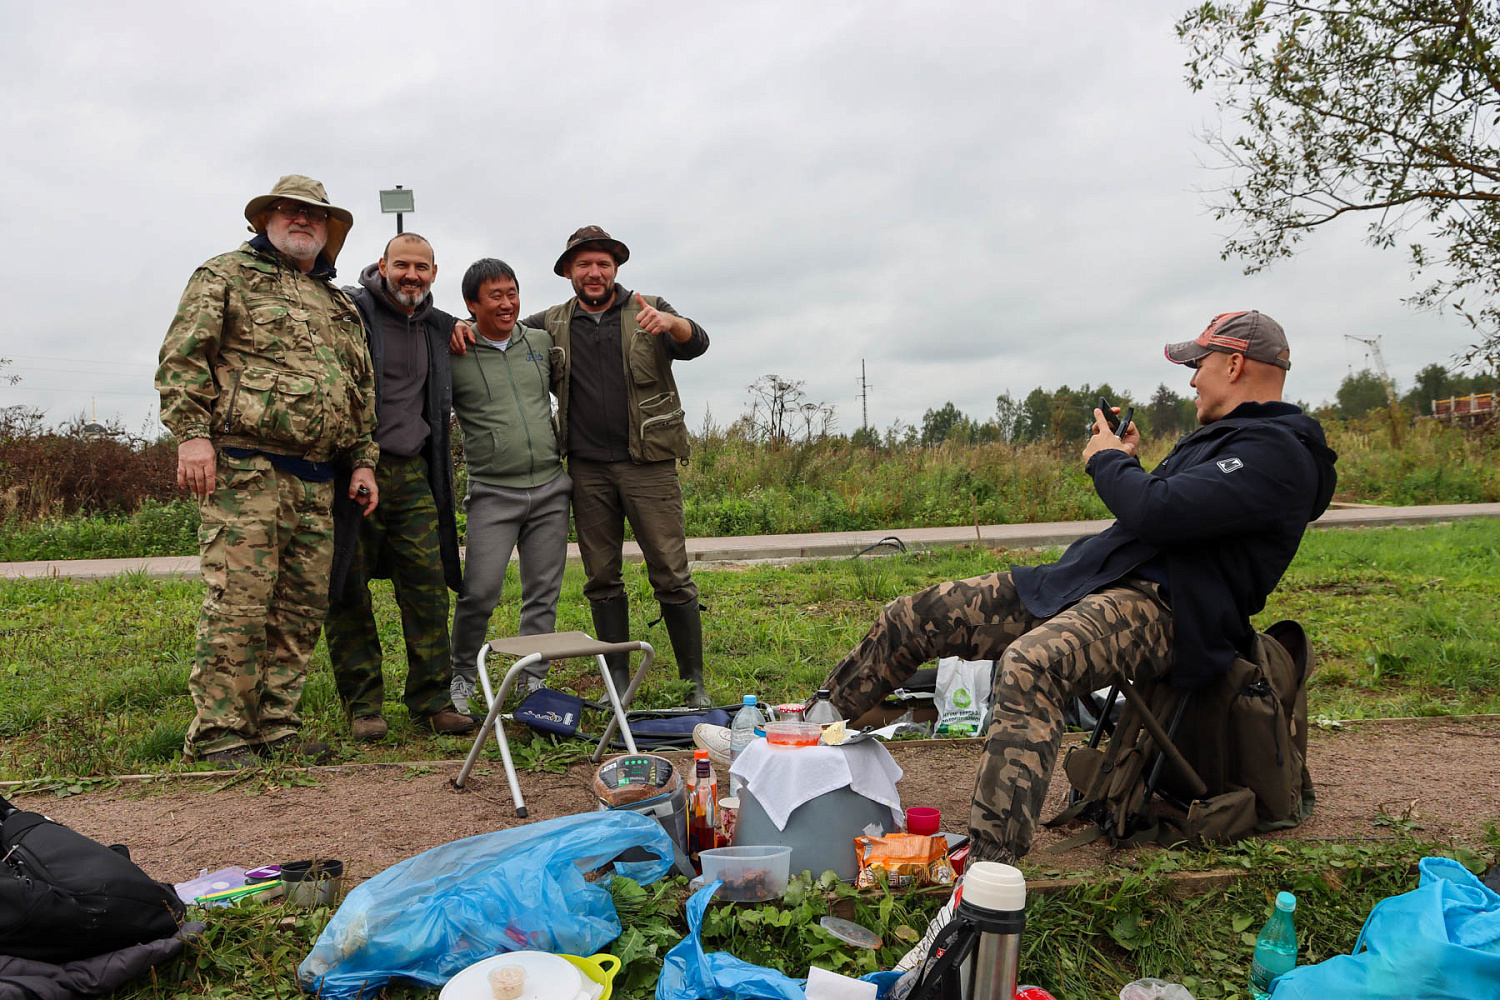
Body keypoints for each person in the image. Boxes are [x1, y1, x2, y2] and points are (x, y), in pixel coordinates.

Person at [815, 310, 1338, 870]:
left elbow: (1157, 512)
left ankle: (991, 868)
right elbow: (1168, 507)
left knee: (1032, 665)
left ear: (1234, 364)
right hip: (1091, 583)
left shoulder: (1280, 454)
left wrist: (1109, 462)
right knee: (915, 615)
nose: (1191, 380)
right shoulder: (1226, 441)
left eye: (1199, 365)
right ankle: (805, 747)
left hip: (1167, 611)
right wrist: (1131, 462)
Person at [157, 174, 378, 767]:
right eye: (288, 210)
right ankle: (221, 735)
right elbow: (184, 357)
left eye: (314, 214)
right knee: (239, 604)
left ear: (329, 230)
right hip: (243, 469)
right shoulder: (224, 275)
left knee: (300, 610)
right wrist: (192, 438)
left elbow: (359, 391)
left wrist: (362, 461)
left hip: (317, 478)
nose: (301, 219)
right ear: (265, 220)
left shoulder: (340, 305)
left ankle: (278, 728)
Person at [452, 226, 711, 706]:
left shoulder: (650, 308)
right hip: (587, 470)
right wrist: (457, 326)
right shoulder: (549, 323)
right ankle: (617, 681)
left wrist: (675, 325)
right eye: (584, 265)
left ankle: (692, 681)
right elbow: (495, 328)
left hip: (648, 465)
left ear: (616, 269)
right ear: (569, 272)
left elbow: (696, 342)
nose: (594, 273)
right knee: (601, 577)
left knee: (670, 573)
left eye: (603, 264)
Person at [325, 234, 475, 741]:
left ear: (434, 272)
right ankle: (364, 705)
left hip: (412, 472)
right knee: (347, 588)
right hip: (348, 470)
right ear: (383, 265)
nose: (412, 275)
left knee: (428, 588)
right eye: (402, 265)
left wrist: (460, 326)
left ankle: (432, 701)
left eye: (422, 268)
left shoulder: (438, 326)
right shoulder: (351, 309)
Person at [446, 259, 572, 712]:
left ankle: (530, 680)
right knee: (479, 590)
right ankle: (461, 674)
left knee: (543, 591)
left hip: (550, 488)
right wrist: (451, 326)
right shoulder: (453, 350)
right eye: (495, 296)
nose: (507, 303)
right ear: (471, 305)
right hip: (492, 493)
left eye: (512, 292)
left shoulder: (539, 341)